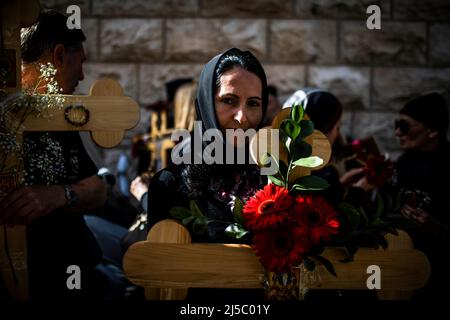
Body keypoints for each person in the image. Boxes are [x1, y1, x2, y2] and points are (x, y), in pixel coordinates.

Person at [138, 48, 268, 299]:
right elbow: (162, 284)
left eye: (253, 103)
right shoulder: (171, 185)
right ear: (207, 103)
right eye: (229, 101)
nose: (242, 117)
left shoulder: (278, 179)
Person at [0, 10, 106, 299]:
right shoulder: (14, 114)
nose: (82, 75)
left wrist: (61, 194)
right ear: (58, 56)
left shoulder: (56, 114)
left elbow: (98, 189)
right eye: (80, 62)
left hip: (76, 277)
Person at [393, 92, 450, 299]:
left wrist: (437, 228)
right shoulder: (402, 163)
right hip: (400, 269)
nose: (398, 133)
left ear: (433, 130)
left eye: (405, 126)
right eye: (396, 125)